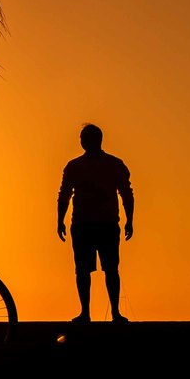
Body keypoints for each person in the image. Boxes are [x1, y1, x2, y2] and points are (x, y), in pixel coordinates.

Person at [57, 123, 134, 323]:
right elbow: (64, 195)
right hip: (83, 224)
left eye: (86, 138)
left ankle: (115, 312)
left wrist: (130, 220)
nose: (84, 142)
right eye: (83, 139)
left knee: (110, 269)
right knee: (83, 270)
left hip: (106, 223)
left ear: (97, 140)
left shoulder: (115, 165)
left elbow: (126, 194)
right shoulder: (74, 167)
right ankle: (85, 312)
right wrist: (60, 220)